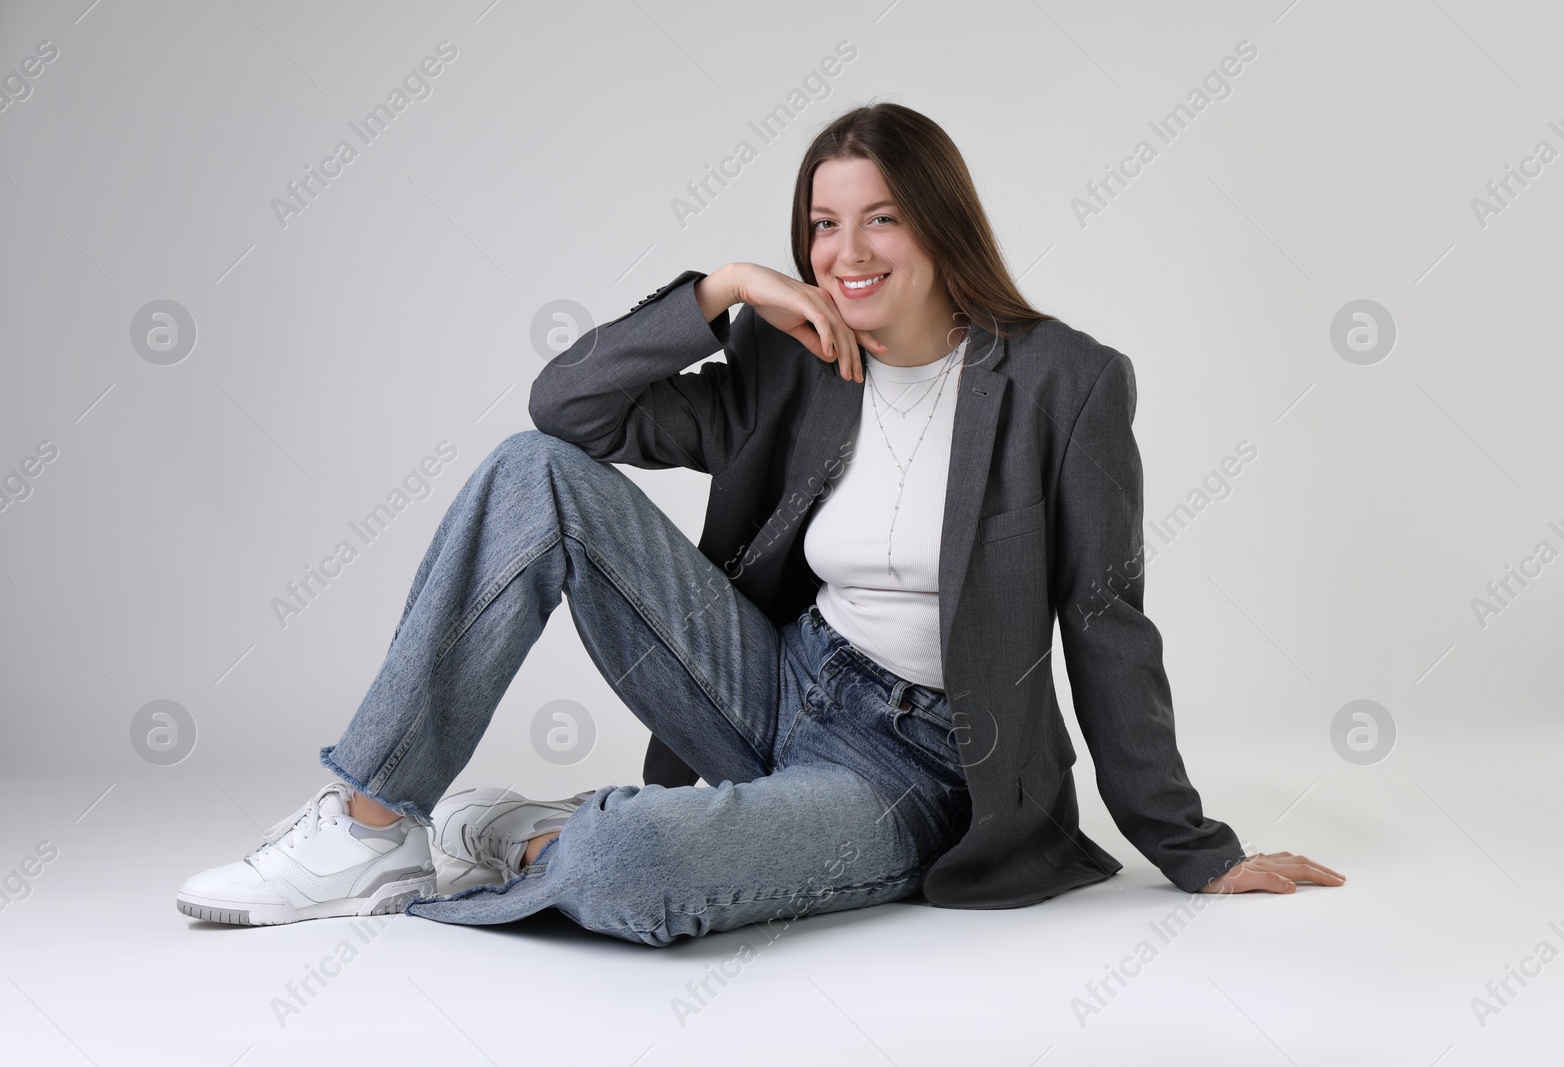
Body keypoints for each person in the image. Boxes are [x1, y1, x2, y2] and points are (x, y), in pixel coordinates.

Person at [177, 101, 1343, 944]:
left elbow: (1104, 615)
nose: (845, 254)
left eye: (880, 220)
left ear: (942, 227)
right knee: (529, 472)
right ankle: (375, 818)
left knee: (631, 861)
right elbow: (566, 412)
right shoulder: (789, 363)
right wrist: (718, 290)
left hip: (923, 766)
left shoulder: (1063, 382)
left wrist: (1195, 848)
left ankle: (535, 834)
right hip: (777, 679)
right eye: (822, 226)